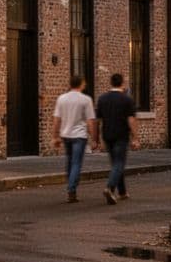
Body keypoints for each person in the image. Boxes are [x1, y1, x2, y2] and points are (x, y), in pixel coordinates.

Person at [52, 75, 98, 203]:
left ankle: (72, 187)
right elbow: (90, 121)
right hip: (79, 136)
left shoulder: (62, 99)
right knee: (76, 163)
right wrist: (94, 138)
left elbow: (57, 119)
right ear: (81, 84)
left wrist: (55, 136)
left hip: (66, 135)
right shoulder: (85, 99)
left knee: (70, 161)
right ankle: (71, 189)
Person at [96, 72, 139, 204]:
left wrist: (96, 138)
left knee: (116, 163)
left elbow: (97, 120)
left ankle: (122, 192)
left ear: (111, 83)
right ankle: (110, 188)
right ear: (122, 83)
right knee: (119, 163)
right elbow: (131, 120)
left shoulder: (102, 99)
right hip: (121, 135)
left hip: (107, 134)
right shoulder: (127, 100)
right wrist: (135, 137)